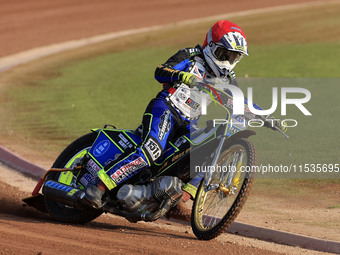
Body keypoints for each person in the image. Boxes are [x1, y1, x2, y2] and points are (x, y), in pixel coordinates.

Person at [84, 20, 284, 220]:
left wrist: (267, 116)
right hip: (167, 108)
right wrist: (182, 76)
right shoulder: (191, 56)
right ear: (211, 47)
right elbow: (160, 71)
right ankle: (100, 185)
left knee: (206, 149)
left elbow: (240, 102)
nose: (228, 61)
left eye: (234, 57)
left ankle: (175, 198)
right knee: (152, 149)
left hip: (188, 123)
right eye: (225, 54)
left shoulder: (227, 77)